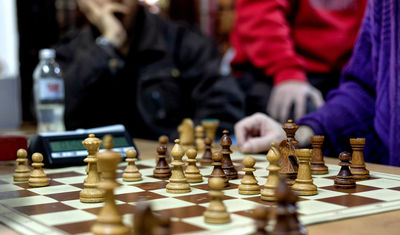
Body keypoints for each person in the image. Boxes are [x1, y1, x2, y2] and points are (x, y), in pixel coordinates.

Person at [235, 0, 400, 166]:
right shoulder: (385, 6)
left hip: (340, 71)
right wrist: (301, 134)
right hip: (292, 72)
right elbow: (366, 90)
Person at [56, 0, 245, 140]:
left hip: (169, 173)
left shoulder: (184, 42)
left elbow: (224, 110)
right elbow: (52, 115)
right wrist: (107, 45)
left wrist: (177, 146)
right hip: (96, 174)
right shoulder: (69, 51)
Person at [230, 0, 367, 122]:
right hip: (279, 72)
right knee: (300, 114)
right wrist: (287, 72)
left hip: (348, 73)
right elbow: (260, 17)